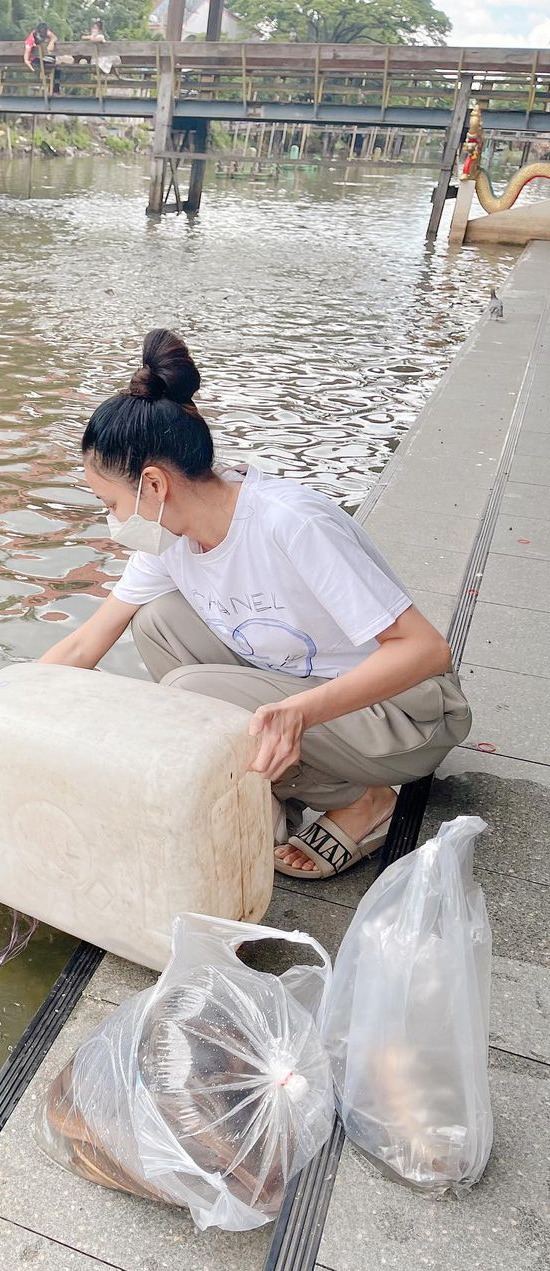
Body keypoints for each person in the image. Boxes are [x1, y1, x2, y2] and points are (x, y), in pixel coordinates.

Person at [38, 329, 471, 880]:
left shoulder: (290, 523)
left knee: (190, 698)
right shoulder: (169, 538)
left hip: (406, 717)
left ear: (153, 483)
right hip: (307, 696)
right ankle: (267, 782)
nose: (113, 522)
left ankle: (365, 799)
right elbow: (83, 644)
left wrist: (301, 714)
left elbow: (428, 650)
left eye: (111, 503)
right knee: (158, 622)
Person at [24, 22, 60, 91]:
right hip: (36, 60)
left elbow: (54, 37)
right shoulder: (31, 38)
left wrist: (51, 42)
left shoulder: (46, 31)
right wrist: (32, 68)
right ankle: (54, 88)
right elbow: (26, 58)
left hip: (46, 59)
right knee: (56, 67)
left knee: (57, 68)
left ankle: (55, 88)